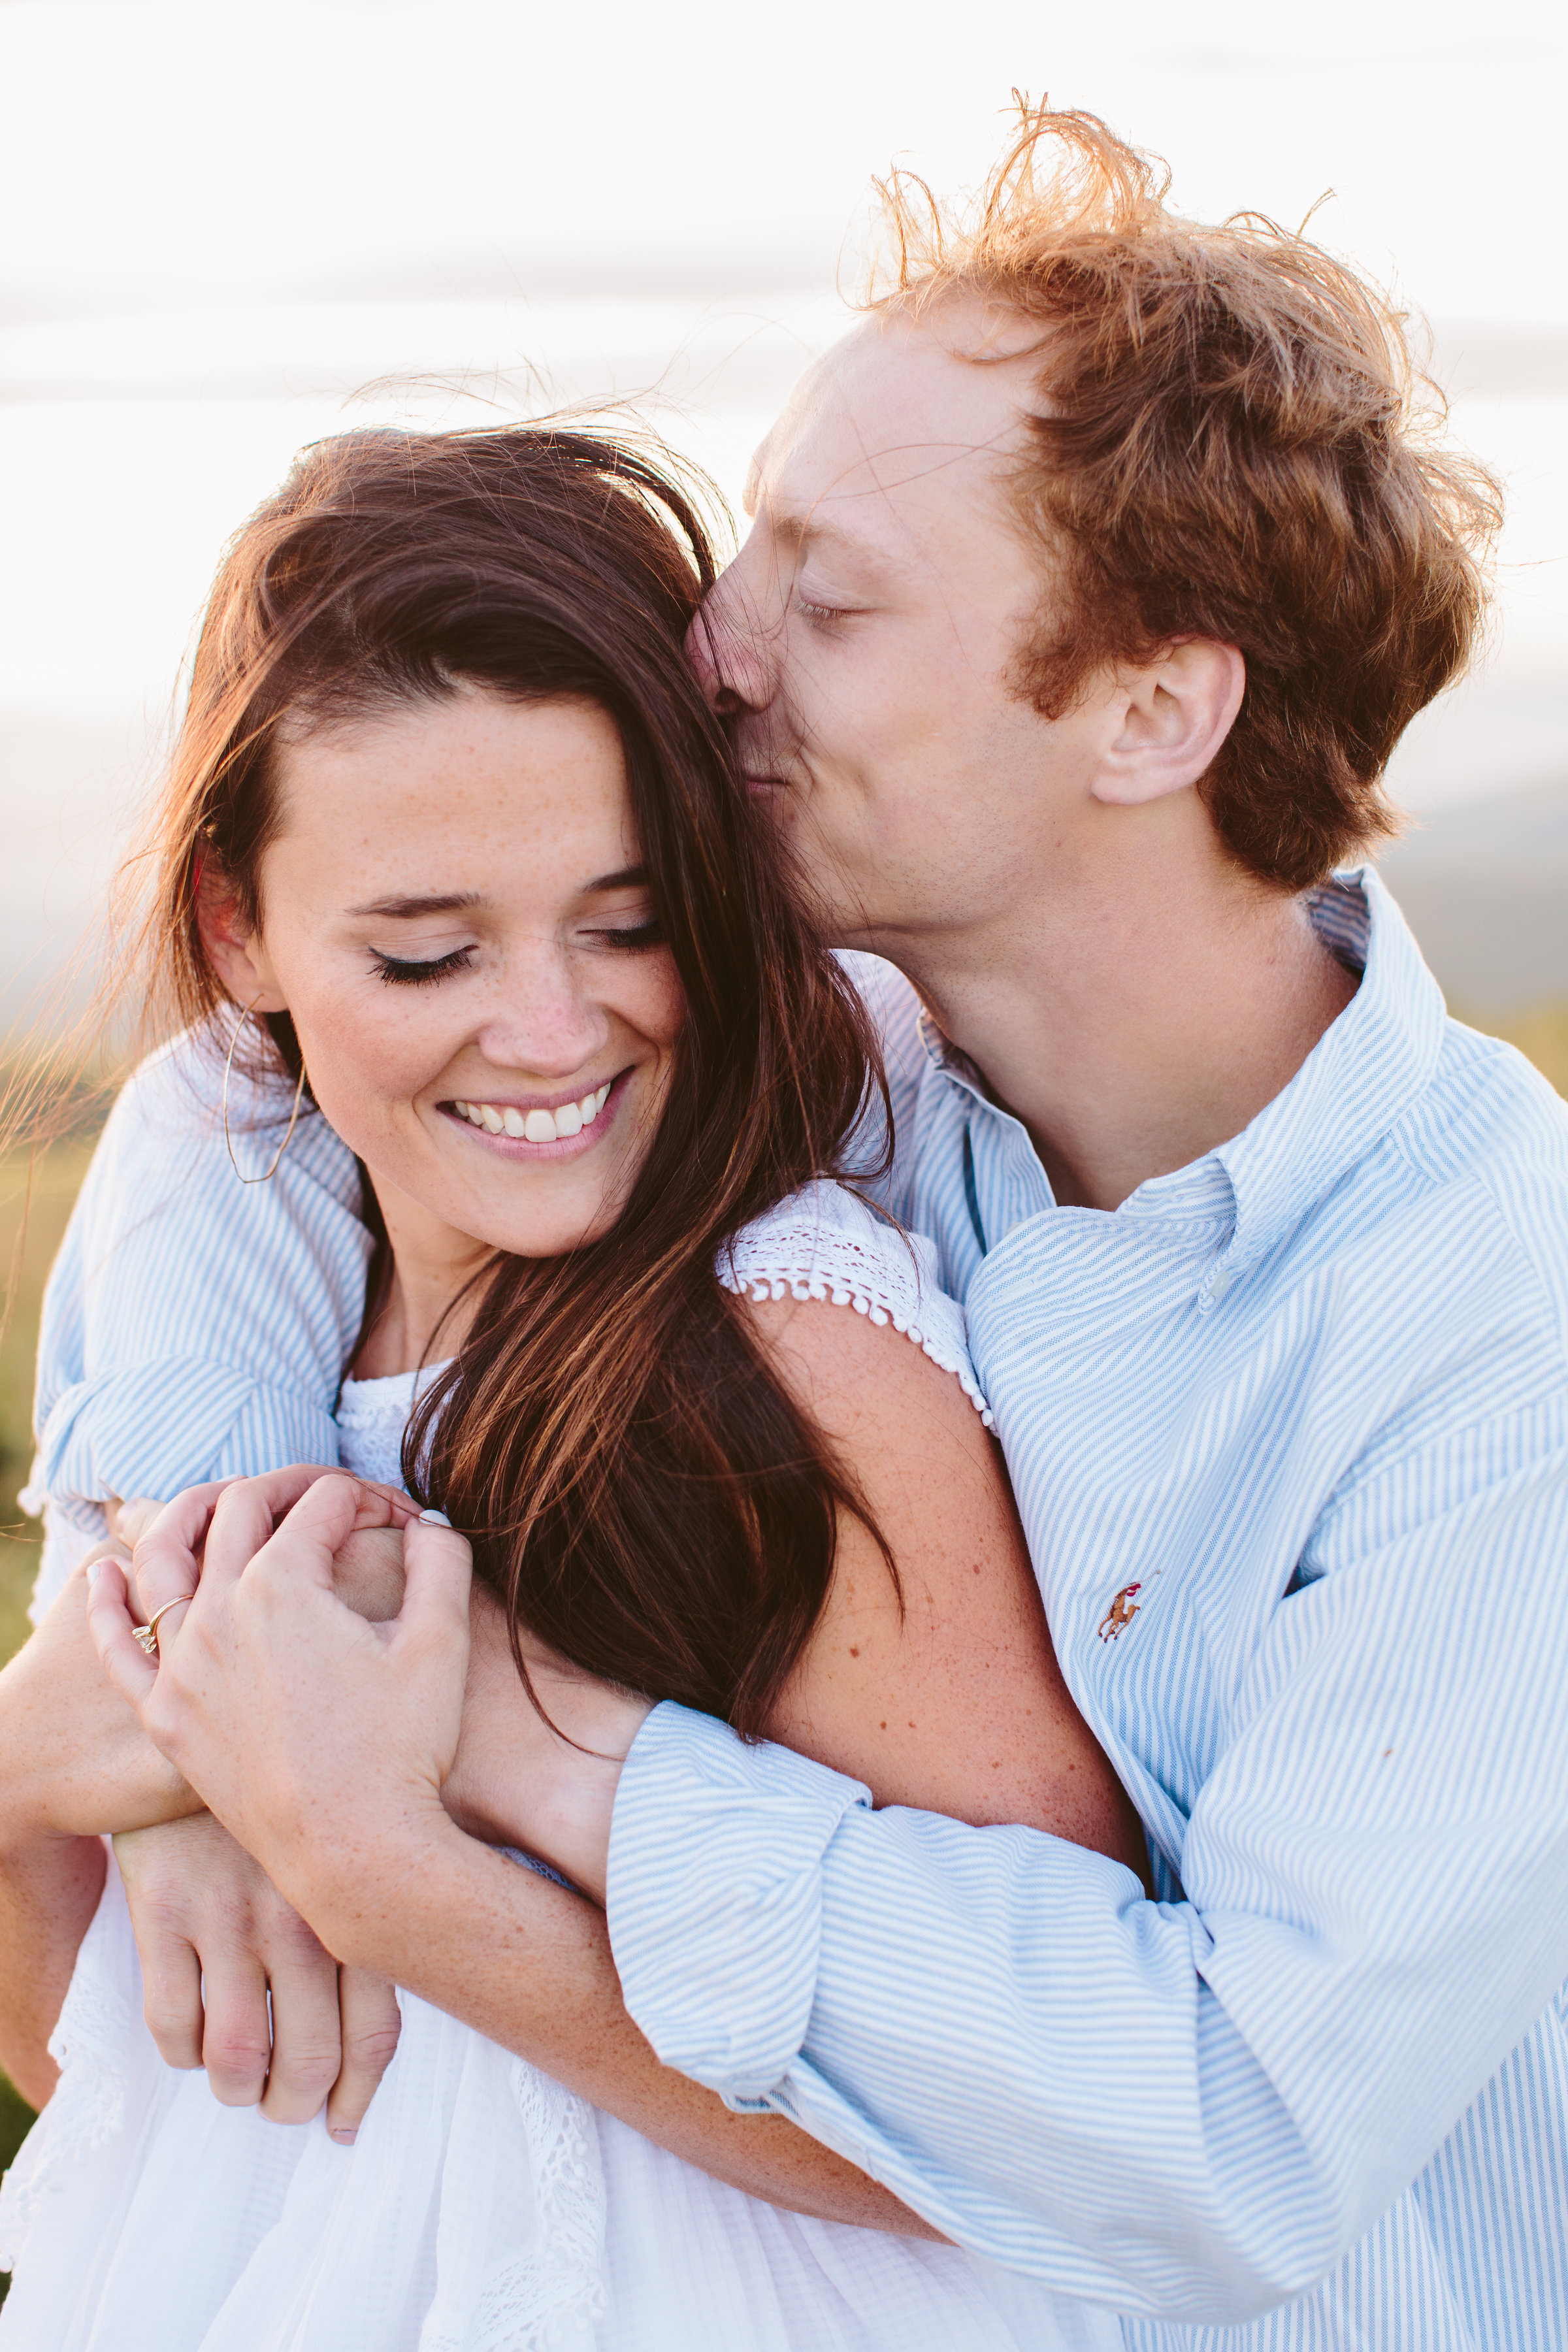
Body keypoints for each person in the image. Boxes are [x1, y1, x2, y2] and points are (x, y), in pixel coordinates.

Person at [12, 95, 1568, 2347]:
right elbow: (254, 1095)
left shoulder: (1492, 1337)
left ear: (1151, 710)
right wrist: (173, 1640)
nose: (715, 649)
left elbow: (1230, 2134)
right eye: (752, 554)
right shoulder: (849, 1049)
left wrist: (475, 1756)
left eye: (826, 595)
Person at [0, 421, 1136, 2350]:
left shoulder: (778, 1368)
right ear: (235, 932)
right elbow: (141, 2069)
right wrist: (50, 1779)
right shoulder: (225, 1380)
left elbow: (1050, 2130)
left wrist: (405, 1863)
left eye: (632, 923)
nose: (551, 1030)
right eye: (426, 954)